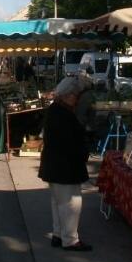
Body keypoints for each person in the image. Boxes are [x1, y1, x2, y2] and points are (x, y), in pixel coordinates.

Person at [39, 77, 92, 252]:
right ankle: (70, 239)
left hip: (55, 164)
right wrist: (83, 151)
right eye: (75, 95)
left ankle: (58, 234)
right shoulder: (62, 113)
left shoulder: (55, 110)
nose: (77, 99)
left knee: (59, 202)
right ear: (68, 95)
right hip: (64, 165)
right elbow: (69, 141)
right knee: (71, 203)